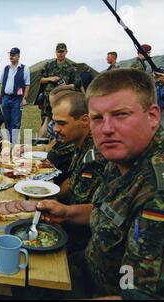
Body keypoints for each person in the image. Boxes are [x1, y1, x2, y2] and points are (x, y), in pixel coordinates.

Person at [42, 68, 164, 299]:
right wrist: (66, 212)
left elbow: (138, 296)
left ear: (153, 116)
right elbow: (111, 214)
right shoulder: (124, 156)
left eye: (121, 115)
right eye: (98, 118)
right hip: (88, 269)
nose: (106, 129)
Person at [37, 91, 107, 252]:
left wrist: (62, 210)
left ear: (84, 121)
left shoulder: (96, 153)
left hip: (81, 241)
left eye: (61, 123)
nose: (55, 129)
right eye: (54, 123)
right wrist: (47, 197)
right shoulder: (80, 142)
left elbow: (91, 208)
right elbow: (73, 181)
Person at [0, 47, 30, 144]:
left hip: (17, 98)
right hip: (6, 97)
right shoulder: (6, 68)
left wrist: (24, 98)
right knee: (7, 121)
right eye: (10, 54)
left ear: (18, 56)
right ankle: (8, 142)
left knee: (15, 122)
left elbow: (27, 85)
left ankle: (14, 144)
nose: (11, 56)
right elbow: (2, 84)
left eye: (13, 54)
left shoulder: (24, 69)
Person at [39, 43, 78, 123]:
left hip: (63, 100)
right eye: (58, 52)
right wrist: (51, 79)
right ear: (55, 52)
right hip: (48, 100)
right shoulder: (48, 65)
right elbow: (40, 80)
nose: (60, 54)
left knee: (61, 123)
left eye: (62, 52)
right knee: (46, 121)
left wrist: (66, 86)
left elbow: (75, 85)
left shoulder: (71, 68)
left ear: (66, 52)